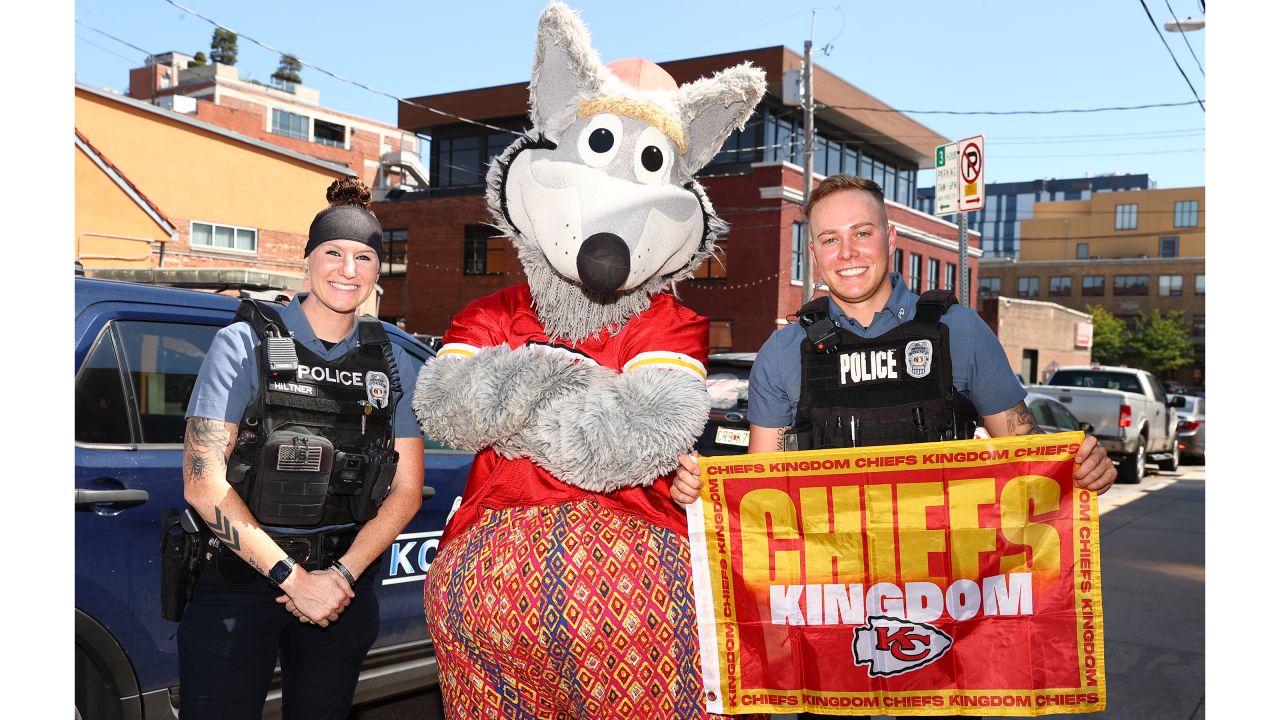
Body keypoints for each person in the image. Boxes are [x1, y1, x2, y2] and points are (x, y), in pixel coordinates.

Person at [670, 174, 1116, 719]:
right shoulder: (784, 352)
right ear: (812, 251)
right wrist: (705, 489)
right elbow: (761, 499)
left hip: (948, 607)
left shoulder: (958, 330)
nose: (848, 252)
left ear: (891, 235)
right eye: (830, 239)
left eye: (862, 233)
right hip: (832, 618)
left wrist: (1078, 468)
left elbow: (1024, 456)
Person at [178, 177, 425, 720]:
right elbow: (202, 479)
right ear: (307, 261)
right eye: (333, 253)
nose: (348, 269)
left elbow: (406, 490)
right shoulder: (244, 343)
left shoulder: (391, 360)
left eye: (364, 257)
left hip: (344, 581)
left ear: (377, 272)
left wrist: (337, 579)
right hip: (243, 579)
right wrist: (294, 580)